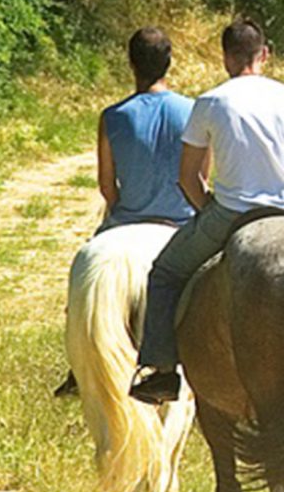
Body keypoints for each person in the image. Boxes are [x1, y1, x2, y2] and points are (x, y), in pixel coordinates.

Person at [126, 20, 284, 404]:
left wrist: (208, 212)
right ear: (264, 54)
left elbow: (188, 178)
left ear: (225, 59)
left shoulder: (211, 103)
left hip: (231, 214)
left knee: (165, 273)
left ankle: (162, 370)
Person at [57, 25, 198, 399]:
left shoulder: (112, 116)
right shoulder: (193, 111)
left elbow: (107, 186)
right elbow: (198, 176)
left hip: (126, 220)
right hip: (180, 222)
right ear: (169, 63)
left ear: (131, 64)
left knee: (82, 277)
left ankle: (78, 366)